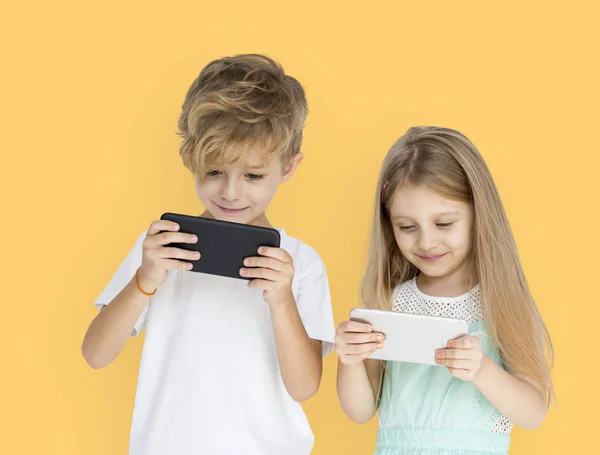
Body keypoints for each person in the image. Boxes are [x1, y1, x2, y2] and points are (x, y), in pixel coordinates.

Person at [81, 54, 335, 455]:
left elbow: (304, 388)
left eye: (253, 175)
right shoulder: (161, 248)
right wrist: (143, 282)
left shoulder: (301, 263)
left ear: (288, 167)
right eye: (214, 171)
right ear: (190, 159)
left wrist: (282, 301)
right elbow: (95, 354)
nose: (231, 193)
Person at [335, 126, 554, 455]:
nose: (426, 242)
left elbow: (534, 412)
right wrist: (349, 359)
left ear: (478, 214)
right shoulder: (390, 302)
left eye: (444, 224)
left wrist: (481, 369)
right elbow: (361, 411)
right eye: (407, 227)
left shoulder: (500, 304)